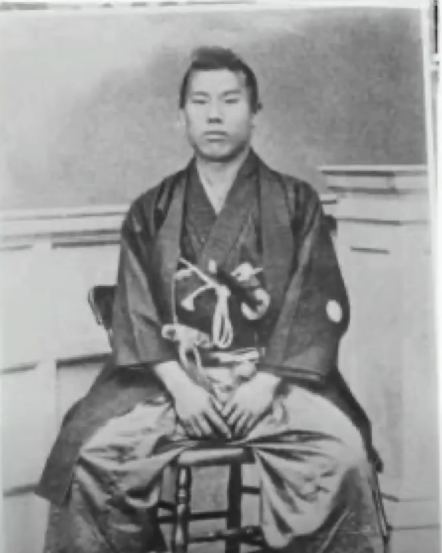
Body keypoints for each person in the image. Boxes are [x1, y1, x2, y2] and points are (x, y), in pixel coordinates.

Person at [37, 46, 389, 553]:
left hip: (275, 383)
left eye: (230, 100)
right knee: (90, 457)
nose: (215, 115)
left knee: (346, 459)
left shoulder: (297, 202)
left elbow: (313, 305)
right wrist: (184, 389)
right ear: (181, 116)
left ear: (255, 112)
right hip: (170, 385)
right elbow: (136, 311)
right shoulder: (151, 209)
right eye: (200, 102)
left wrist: (263, 384)